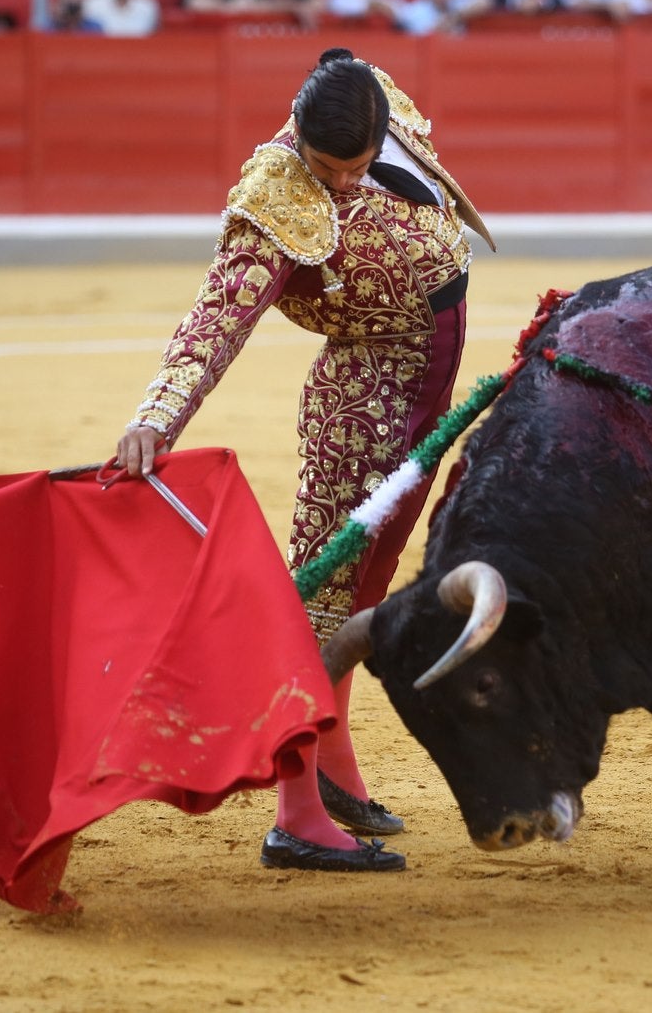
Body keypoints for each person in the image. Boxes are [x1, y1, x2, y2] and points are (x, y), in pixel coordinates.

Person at [113, 48, 496, 873]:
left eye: (358, 167)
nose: (347, 184)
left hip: (421, 384)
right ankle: (294, 814)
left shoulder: (370, 97)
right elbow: (217, 318)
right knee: (320, 600)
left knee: (363, 587)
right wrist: (157, 414)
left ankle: (331, 762)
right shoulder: (275, 196)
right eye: (330, 171)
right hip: (363, 405)